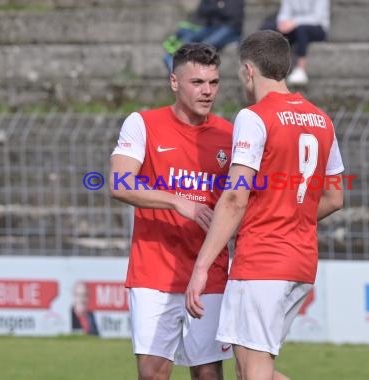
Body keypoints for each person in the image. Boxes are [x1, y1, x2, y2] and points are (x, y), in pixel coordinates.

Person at [185, 30, 344, 380]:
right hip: (301, 261)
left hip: (262, 261)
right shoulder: (322, 120)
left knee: (252, 372)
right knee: (255, 370)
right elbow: (334, 198)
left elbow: (234, 196)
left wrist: (201, 266)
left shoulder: (254, 117)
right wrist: (290, 217)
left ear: (248, 70)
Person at [109, 43, 233, 380]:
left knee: (207, 373)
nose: (207, 91)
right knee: (152, 373)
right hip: (154, 270)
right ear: (174, 82)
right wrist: (177, 201)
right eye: (197, 82)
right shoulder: (143, 124)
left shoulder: (230, 135)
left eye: (213, 82)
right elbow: (119, 183)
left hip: (209, 271)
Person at [260, 0, 330, 85]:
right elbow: (283, 14)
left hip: (318, 27)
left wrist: (294, 22)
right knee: (271, 28)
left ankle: (301, 69)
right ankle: (271, 67)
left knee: (302, 30)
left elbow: (317, 17)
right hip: (293, 26)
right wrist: (283, 24)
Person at [163, 0, 245, 73]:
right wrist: (218, 6)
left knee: (206, 44)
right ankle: (177, 72)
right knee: (186, 42)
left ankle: (192, 72)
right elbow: (203, 11)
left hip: (230, 28)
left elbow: (231, 15)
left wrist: (216, 7)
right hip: (211, 26)